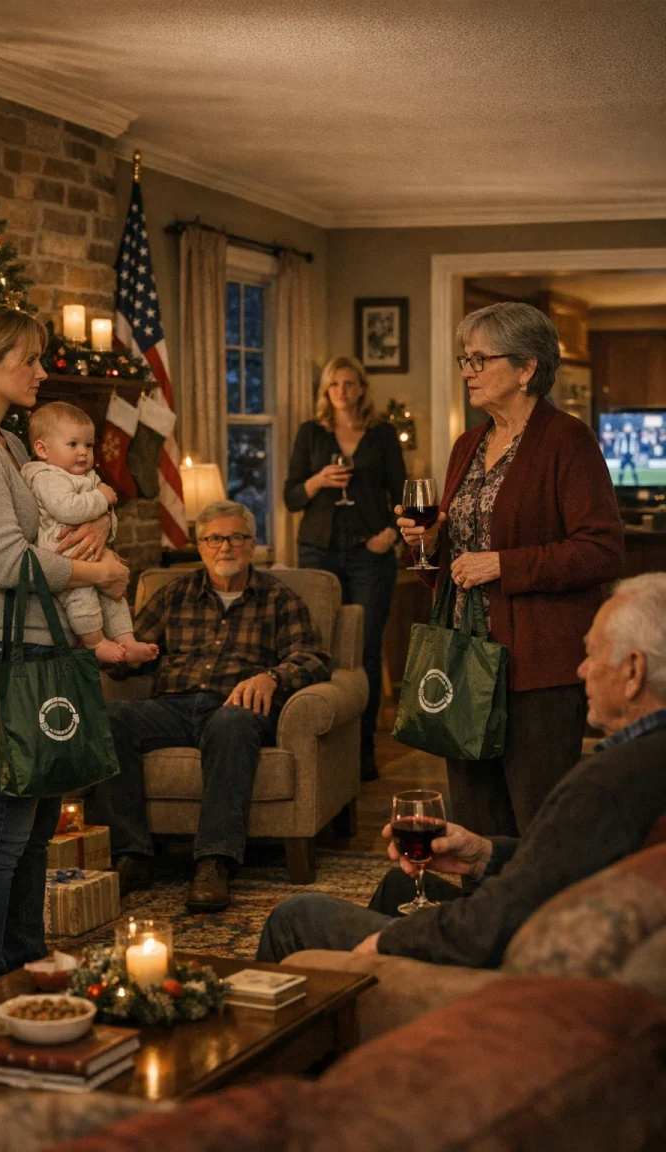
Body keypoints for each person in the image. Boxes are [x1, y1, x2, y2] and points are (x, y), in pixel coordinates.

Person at [258, 573, 666, 967]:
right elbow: (567, 867)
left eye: (590, 654)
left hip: (511, 966)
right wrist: (484, 854)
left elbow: (493, 921)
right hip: (544, 923)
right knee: (400, 885)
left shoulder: (605, 783)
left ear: (632, 672)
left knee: (295, 916)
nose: (580, 670)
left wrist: (387, 942)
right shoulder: (643, 761)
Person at [0, 303, 130, 991]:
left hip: (36, 653)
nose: (43, 372)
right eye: (30, 360)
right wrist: (97, 572)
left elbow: (67, 505)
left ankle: (25, 955)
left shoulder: (8, 443)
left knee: (37, 829)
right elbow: (8, 562)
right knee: (2, 835)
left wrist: (101, 529)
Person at [398, 302, 623, 836]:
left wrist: (504, 564)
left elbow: (602, 551)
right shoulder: (467, 444)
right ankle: (482, 917)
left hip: (537, 667)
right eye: (464, 358)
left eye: (480, 358)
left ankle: (543, 919)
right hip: (463, 659)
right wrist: (429, 542)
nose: (467, 370)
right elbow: (457, 562)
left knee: (540, 820)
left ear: (526, 369)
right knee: (475, 822)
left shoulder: (568, 440)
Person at [85, 499, 331, 911]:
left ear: (252, 545)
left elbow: (315, 658)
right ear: (200, 546)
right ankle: (131, 855)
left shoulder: (278, 598)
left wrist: (271, 676)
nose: (226, 547)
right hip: (174, 705)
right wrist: (107, 646)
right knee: (108, 718)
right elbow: (127, 655)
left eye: (237, 537)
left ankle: (214, 860)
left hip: (236, 707)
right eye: (215, 538)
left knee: (231, 724)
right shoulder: (174, 595)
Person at [285, 356, 406, 781]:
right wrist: (318, 481)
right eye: (334, 383)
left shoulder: (383, 435)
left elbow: (404, 494)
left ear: (361, 389)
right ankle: (319, 751)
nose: (342, 390)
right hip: (319, 553)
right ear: (326, 390)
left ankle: (362, 751)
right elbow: (291, 496)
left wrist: (390, 534)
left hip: (370, 555)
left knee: (366, 649)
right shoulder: (311, 433)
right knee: (318, 648)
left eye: (350, 383)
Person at [21, 401, 158, 664]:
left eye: (88, 445)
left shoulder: (87, 476)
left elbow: (108, 524)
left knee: (114, 596)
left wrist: (106, 515)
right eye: (72, 444)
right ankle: (94, 642)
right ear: (42, 449)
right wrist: (101, 498)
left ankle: (127, 641)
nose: (83, 452)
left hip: (89, 554)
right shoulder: (46, 477)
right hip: (63, 556)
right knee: (81, 598)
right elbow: (67, 510)